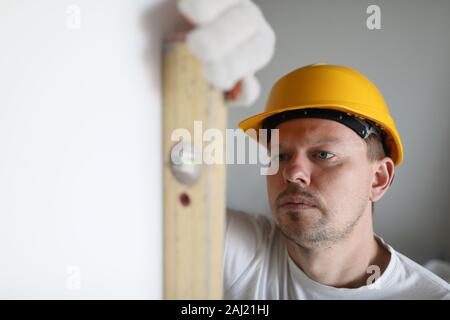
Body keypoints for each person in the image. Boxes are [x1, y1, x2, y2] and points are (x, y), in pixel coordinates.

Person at [223, 63, 450, 299]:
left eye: (323, 155)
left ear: (378, 179)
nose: (292, 173)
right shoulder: (243, 251)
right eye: (280, 156)